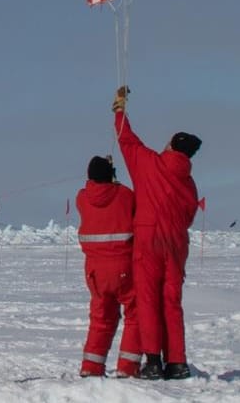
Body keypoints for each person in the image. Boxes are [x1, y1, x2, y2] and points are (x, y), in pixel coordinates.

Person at [114, 86, 199, 381]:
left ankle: (152, 361)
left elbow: (127, 139)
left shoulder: (150, 164)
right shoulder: (188, 183)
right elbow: (188, 215)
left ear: (172, 146)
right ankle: (177, 362)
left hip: (149, 241)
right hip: (176, 244)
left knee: (148, 299)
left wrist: (119, 110)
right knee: (171, 301)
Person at [77, 155, 141, 377]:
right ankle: (128, 366)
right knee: (136, 314)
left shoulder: (82, 198)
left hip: (94, 272)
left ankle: (91, 367)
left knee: (100, 318)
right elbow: (130, 203)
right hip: (123, 266)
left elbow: (94, 194)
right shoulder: (124, 195)